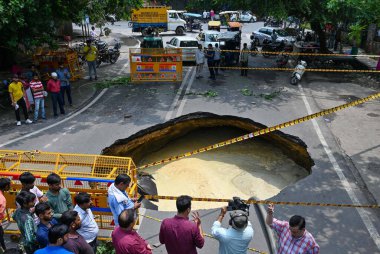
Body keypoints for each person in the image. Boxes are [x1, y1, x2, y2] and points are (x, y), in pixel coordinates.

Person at [0, 178, 11, 251]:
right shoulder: (2, 199)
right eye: (9, 185)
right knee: (1, 237)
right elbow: (1, 213)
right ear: (6, 186)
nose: (10, 187)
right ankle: (4, 250)